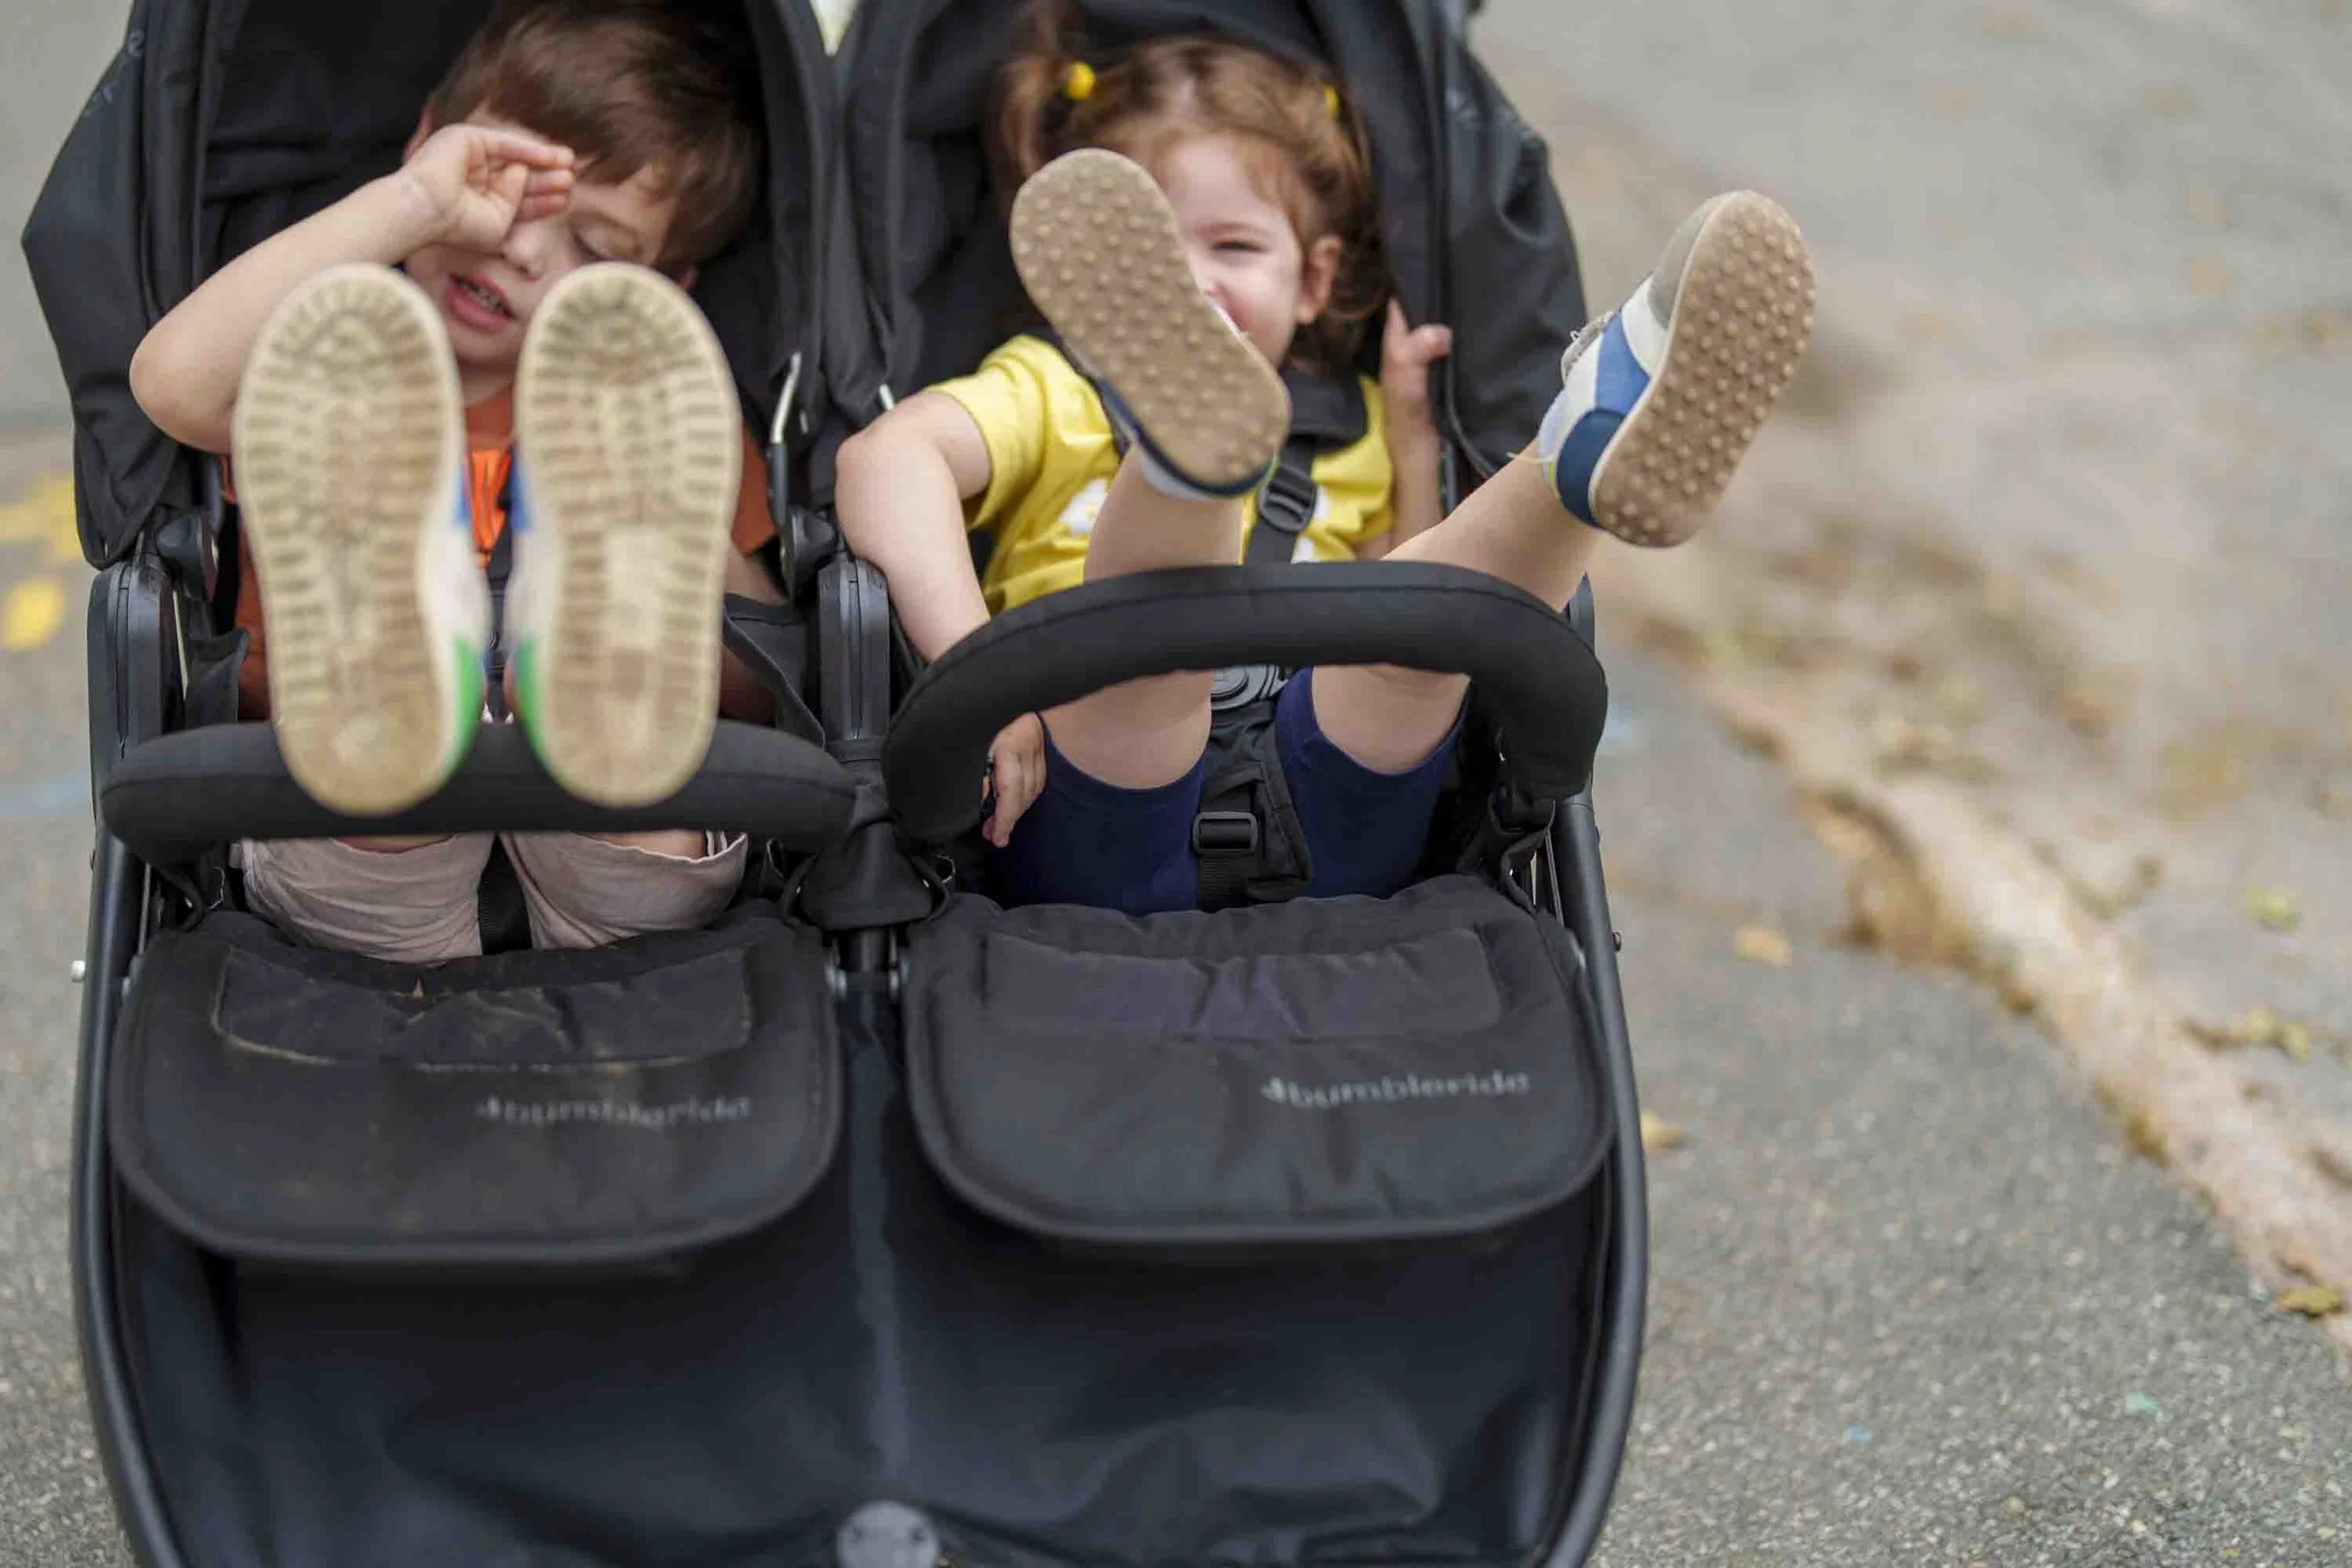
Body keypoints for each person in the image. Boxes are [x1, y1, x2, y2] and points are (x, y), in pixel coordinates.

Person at [834, 14, 1817, 915]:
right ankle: (1190, 462)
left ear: (1313, 280)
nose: (1196, 281)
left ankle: (1575, 455)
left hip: (1322, 775)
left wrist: (1415, 444)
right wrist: (972, 675)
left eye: (1232, 246)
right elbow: (888, 457)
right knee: (1146, 650)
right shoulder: (1052, 386)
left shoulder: (1358, 425)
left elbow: (1407, 583)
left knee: (1415, 639)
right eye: (1151, 262)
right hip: (1093, 788)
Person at [128, 0, 781, 961]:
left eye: (595, 250)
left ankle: (589, 656)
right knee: (382, 767)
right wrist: (413, 202)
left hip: (618, 860)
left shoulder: (652, 415)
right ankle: (404, 670)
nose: (523, 248)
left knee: (643, 768)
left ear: (657, 288)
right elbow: (172, 381)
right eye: (504, 189)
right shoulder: (323, 372)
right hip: (344, 838)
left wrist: (663, 551)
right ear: (428, 139)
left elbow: (762, 691)